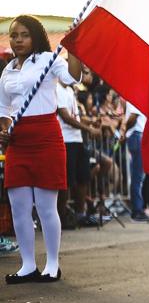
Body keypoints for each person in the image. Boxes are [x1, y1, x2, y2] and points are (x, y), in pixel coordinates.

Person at [0, 15, 83, 283]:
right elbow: (3, 109)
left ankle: (52, 264)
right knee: (19, 206)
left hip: (46, 137)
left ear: (35, 36)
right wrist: (3, 131)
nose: (18, 40)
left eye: (24, 34)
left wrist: (75, 46)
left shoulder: (49, 60)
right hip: (18, 142)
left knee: (46, 207)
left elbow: (73, 77)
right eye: (14, 35)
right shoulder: (7, 71)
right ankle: (27, 265)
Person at [56, 82, 99, 228]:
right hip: (65, 140)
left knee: (83, 177)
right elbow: (66, 117)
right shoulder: (57, 88)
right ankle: (61, 219)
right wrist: (88, 129)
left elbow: (76, 116)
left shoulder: (69, 90)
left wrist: (91, 123)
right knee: (66, 181)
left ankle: (80, 215)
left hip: (77, 139)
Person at [123, 101, 149, 223]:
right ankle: (137, 210)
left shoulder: (134, 97)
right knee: (137, 177)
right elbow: (133, 118)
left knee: (138, 176)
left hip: (137, 135)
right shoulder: (134, 97)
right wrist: (124, 131)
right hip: (136, 135)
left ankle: (139, 209)